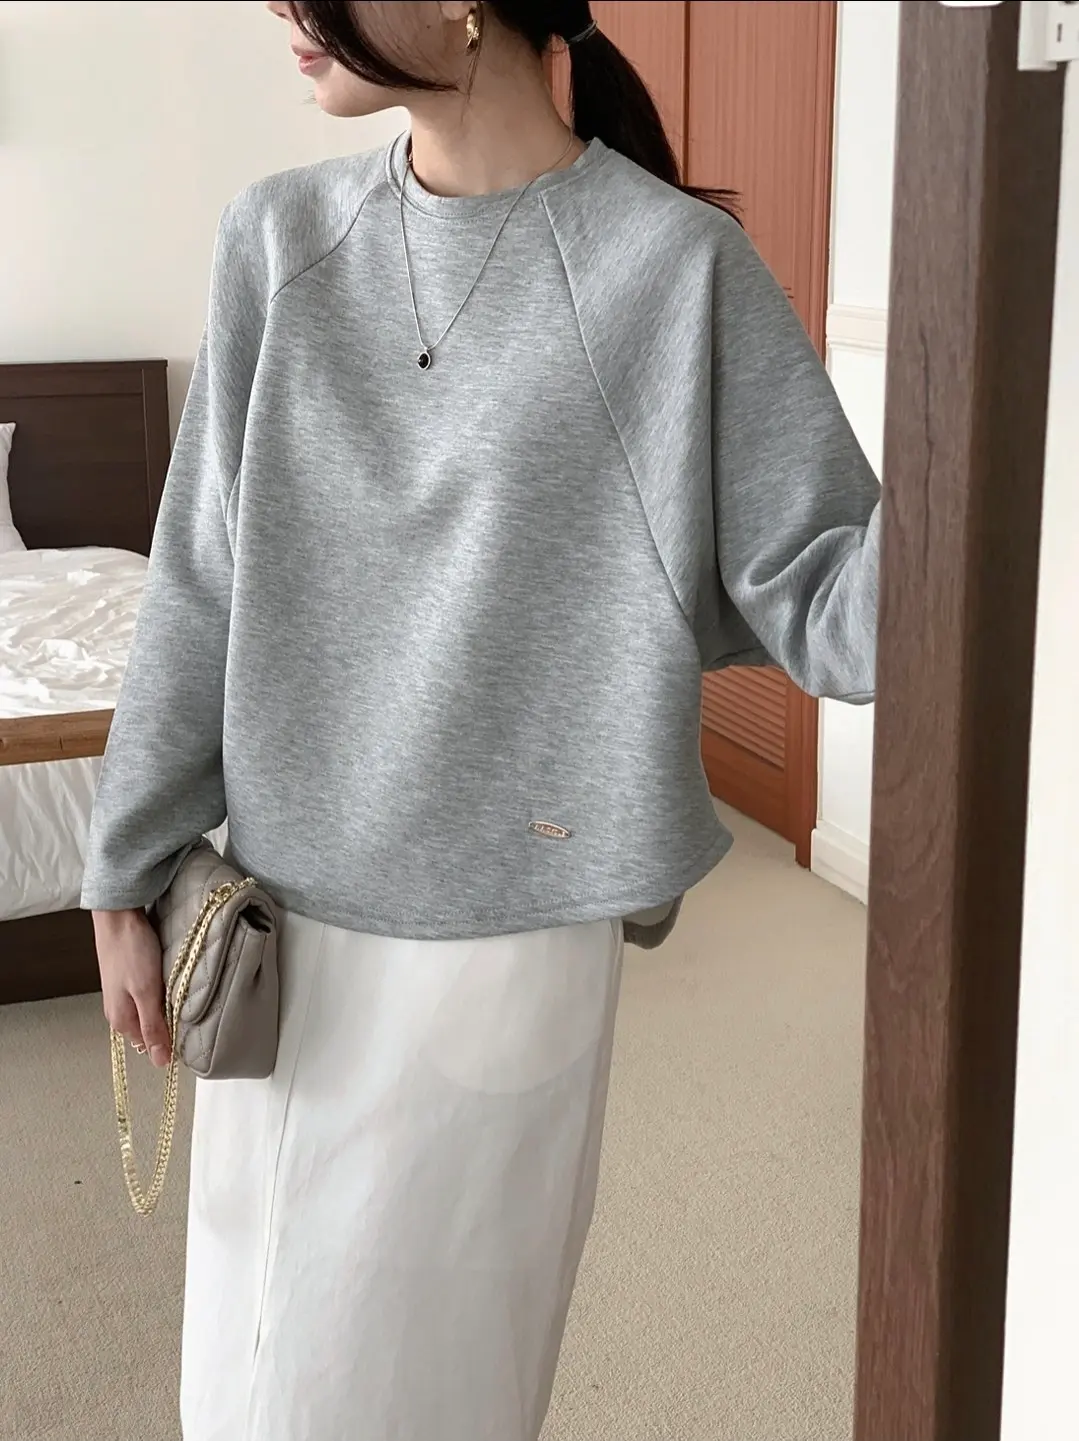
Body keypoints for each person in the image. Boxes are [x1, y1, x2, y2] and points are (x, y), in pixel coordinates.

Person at [82, 2, 881, 1438]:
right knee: (253, 1366)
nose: (283, 8)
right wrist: (122, 868)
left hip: (513, 943)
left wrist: (994, 431)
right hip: (279, 927)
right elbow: (200, 578)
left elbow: (833, 598)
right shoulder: (277, 239)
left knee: (435, 1374)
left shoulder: (672, 269)